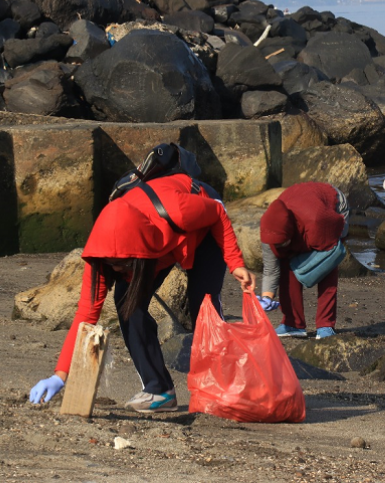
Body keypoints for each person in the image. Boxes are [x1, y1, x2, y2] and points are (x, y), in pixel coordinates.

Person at [28, 172, 255, 412]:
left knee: (204, 307)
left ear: (138, 257)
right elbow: (85, 314)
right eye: (111, 265)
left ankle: (222, 384)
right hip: (153, 248)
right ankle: (159, 390)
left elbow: (217, 210)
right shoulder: (102, 256)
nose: (116, 270)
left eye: (122, 266)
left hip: (203, 228)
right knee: (128, 305)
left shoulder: (179, 210)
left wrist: (236, 262)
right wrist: (60, 375)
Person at [259, 182, 349, 339]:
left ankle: (326, 325)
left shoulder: (317, 222)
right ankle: (292, 323)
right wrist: (266, 298)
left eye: (281, 243)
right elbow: (271, 269)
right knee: (286, 264)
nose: (277, 246)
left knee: (326, 266)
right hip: (302, 206)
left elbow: (333, 250)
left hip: (334, 208)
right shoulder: (269, 232)